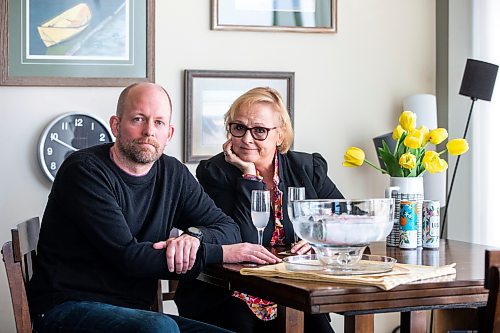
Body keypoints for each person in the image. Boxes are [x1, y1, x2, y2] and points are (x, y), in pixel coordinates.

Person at [28, 82, 280, 333]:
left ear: (169, 134)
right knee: (159, 327)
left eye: (159, 123)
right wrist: (223, 253)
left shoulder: (173, 174)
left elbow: (228, 229)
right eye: (138, 119)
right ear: (116, 125)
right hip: (65, 309)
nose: (149, 131)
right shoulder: (84, 171)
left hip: (137, 313)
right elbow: (129, 258)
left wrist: (193, 238)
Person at [174, 87, 344, 332]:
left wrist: (319, 240)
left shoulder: (307, 168)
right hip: (229, 293)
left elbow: (346, 217)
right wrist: (249, 175)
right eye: (239, 128)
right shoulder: (215, 172)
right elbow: (244, 238)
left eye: (260, 130)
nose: (247, 139)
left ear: (280, 135)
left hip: (294, 291)